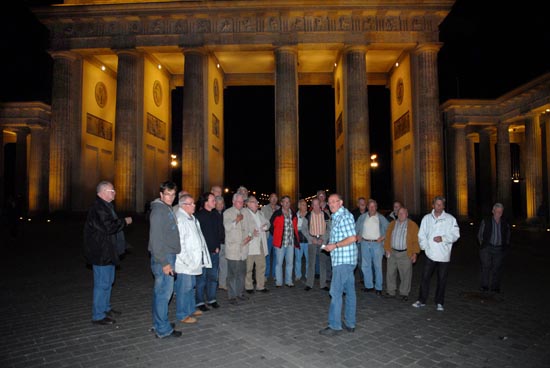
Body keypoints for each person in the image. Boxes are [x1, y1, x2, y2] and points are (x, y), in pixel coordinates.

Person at [84, 181, 132, 325]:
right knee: (102, 283)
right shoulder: (99, 208)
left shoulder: (106, 206)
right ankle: (98, 315)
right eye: (112, 190)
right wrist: (125, 221)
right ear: (103, 192)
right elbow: (109, 227)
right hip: (101, 253)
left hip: (108, 251)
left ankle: (105, 307)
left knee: (108, 282)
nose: (114, 193)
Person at [319, 193, 358, 336]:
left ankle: (335, 326)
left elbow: (353, 237)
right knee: (350, 292)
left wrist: (334, 245)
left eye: (334, 202)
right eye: (329, 203)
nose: (331, 204)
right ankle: (350, 323)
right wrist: (330, 245)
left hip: (344, 261)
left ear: (340, 202)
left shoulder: (345, 216)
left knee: (335, 292)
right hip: (345, 260)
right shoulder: (336, 217)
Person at [412, 196, 460, 312]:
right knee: (425, 278)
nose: (438, 206)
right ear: (433, 205)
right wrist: (425, 248)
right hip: (430, 254)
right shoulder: (426, 218)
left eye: (440, 204)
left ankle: (439, 302)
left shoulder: (450, 219)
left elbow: (456, 235)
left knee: (442, 279)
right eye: (436, 204)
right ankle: (421, 300)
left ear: (443, 206)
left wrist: (443, 238)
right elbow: (421, 235)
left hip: (444, 255)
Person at [148, 181, 182, 338]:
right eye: (167, 194)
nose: (170, 197)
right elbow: (155, 240)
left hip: (167, 255)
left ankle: (159, 323)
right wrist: (165, 263)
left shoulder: (165, 208)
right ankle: (163, 329)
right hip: (164, 256)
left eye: (173, 194)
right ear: (161, 195)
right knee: (164, 294)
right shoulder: (158, 211)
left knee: (159, 293)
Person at [174, 194, 212, 324]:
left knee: (191, 286)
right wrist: (188, 261)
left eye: (194, 203)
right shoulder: (181, 219)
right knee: (183, 288)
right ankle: (182, 314)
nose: (194, 205)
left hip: (194, 261)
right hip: (185, 262)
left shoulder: (192, 218)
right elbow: (180, 244)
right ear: (183, 205)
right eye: (191, 203)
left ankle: (190, 309)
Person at [383, 207, 420, 301]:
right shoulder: (392, 224)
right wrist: (387, 249)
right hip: (392, 252)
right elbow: (387, 237)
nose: (401, 214)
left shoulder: (412, 225)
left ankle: (404, 293)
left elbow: (416, 241)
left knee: (405, 274)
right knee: (390, 273)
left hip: (405, 253)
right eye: (399, 213)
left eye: (403, 213)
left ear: (407, 214)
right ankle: (391, 291)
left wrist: (415, 253)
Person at [195, 192, 223, 311]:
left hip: (214, 252)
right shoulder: (198, 216)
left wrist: (218, 246)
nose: (215, 202)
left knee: (213, 277)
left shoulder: (216, 215)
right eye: (212, 200)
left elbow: (218, 232)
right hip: (203, 254)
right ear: (206, 202)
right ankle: (200, 302)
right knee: (201, 279)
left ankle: (212, 299)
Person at [223, 193, 253, 304]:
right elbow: (227, 227)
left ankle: (240, 293)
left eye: (242, 202)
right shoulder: (228, 212)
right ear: (233, 201)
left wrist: (249, 236)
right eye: (239, 202)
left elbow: (250, 226)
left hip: (243, 249)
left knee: (242, 273)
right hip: (233, 249)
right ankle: (232, 296)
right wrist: (236, 220)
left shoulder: (245, 212)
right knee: (232, 274)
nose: (241, 204)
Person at [355, 199, 389, 296]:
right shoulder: (362, 217)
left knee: (377, 266)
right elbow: (356, 228)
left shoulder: (381, 218)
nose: (372, 208)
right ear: (367, 207)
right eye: (370, 206)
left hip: (376, 244)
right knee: (365, 266)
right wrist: (357, 235)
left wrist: (383, 237)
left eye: (374, 206)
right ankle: (369, 285)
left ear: (376, 207)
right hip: (365, 243)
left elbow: (389, 229)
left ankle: (378, 287)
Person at [477, 203, 511, 293]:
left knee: (497, 268)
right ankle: (485, 285)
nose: (498, 214)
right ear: (493, 211)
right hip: (487, 247)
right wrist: (483, 245)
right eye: (497, 212)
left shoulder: (505, 223)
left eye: (500, 212)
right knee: (486, 267)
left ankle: (495, 287)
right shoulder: (486, 220)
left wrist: (505, 244)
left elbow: (507, 235)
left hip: (499, 248)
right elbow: (480, 234)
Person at [269, 195, 299, 288]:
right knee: (279, 263)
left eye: (288, 202)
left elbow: (295, 227)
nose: (287, 203)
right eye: (285, 202)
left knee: (290, 263)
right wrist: (277, 235)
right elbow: (271, 227)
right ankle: (279, 282)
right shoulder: (277, 214)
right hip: (280, 243)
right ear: (281, 203)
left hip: (290, 242)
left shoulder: (293, 214)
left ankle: (289, 281)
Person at [244, 195, 270, 293]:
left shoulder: (260, 213)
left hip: (261, 243)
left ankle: (260, 285)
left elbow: (268, 223)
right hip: (250, 243)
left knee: (261, 265)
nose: (256, 204)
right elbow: (243, 228)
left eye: (256, 202)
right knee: (249, 267)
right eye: (254, 202)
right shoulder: (245, 213)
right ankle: (248, 286)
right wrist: (251, 233)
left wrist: (266, 226)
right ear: (248, 204)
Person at [304, 198, 331, 291]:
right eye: (314, 205)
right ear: (312, 206)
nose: (316, 207)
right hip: (312, 241)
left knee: (323, 263)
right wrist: (311, 239)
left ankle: (323, 284)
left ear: (320, 204)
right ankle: (309, 284)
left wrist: (323, 239)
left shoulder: (326, 215)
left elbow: (329, 229)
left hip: (322, 241)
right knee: (311, 263)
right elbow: (304, 229)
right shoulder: (308, 215)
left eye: (317, 204)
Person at [261, 192, 279, 280]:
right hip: (268, 235)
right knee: (267, 255)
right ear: (269, 199)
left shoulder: (280, 209)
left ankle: (275, 274)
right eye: (272, 197)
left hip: (277, 235)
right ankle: (266, 274)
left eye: (275, 197)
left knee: (276, 255)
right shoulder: (264, 209)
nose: (274, 199)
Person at [294, 199, 309, 282]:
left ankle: (307, 275)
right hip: (298, 241)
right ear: (299, 206)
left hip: (308, 241)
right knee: (298, 259)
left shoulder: (309, 215)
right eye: (303, 205)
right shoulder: (295, 216)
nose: (305, 206)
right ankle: (298, 275)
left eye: (306, 205)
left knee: (308, 259)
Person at [215, 195, 228, 290]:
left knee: (224, 264)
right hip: (216, 244)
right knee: (215, 265)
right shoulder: (212, 214)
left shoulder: (226, 213)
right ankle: (214, 283)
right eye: (218, 203)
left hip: (225, 242)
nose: (220, 205)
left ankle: (222, 283)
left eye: (221, 203)